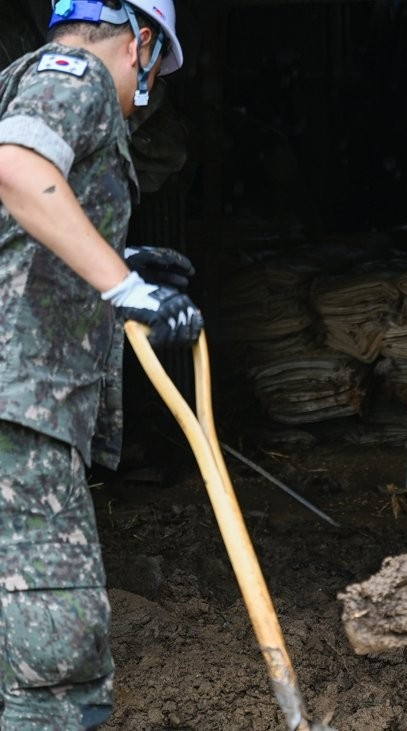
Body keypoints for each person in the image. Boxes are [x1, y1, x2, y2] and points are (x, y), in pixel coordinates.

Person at [0, 1, 202, 727]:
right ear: (142, 43)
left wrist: (117, 265)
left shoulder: (22, 80)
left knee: (18, 644)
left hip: (20, 405)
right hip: (19, 409)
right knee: (59, 662)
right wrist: (125, 286)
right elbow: (18, 170)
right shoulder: (78, 75)